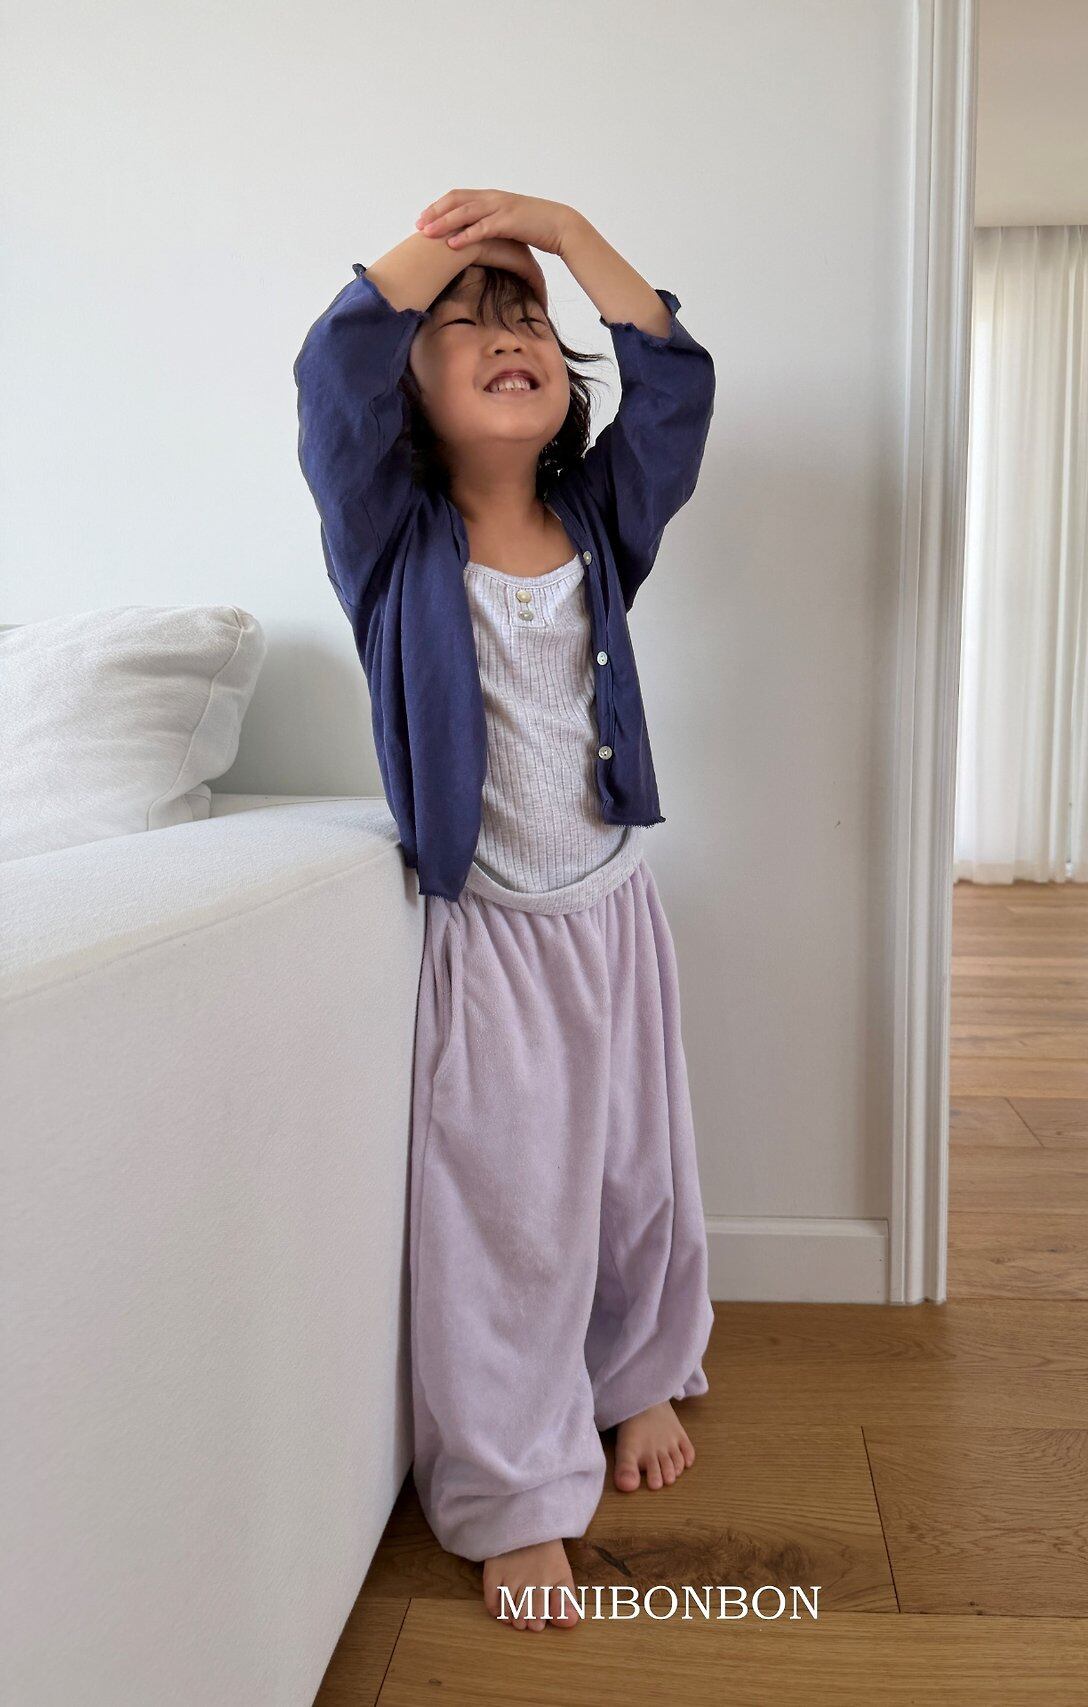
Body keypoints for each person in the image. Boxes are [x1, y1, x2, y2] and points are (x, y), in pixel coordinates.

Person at [293, 190, 717, 1632]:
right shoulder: (388, 540)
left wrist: (562, 228)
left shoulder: (600, 521)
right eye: (463, 323)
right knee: (512, 1215)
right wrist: (461, 232)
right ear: (411, 385)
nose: (507, 336)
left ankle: (640, 1371)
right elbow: (330, 367)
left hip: (615, 908)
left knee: (638, 1176)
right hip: (490, 928)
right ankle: (515, 1491)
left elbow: (673, 382)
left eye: (526, 316)